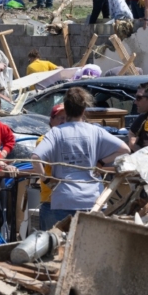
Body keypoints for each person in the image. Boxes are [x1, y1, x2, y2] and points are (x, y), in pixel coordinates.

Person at [31, 87, 130, 222]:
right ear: (84, 110)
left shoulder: (56, 133)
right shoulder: (96, 131)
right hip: (94, 201)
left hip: (63, 200)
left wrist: (45, 179)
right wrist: (101, 162)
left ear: (66, 108)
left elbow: (36, 157)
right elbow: (125, 149)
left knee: (58, 242)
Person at [36, 104, 66, 230]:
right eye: (60, 118)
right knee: (52, 244)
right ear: (52, 121)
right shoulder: (44, 140)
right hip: (51, 201)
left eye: (67, 118)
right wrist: (45, 179)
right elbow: (36, 159)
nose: (64, 121)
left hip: (71, 201)